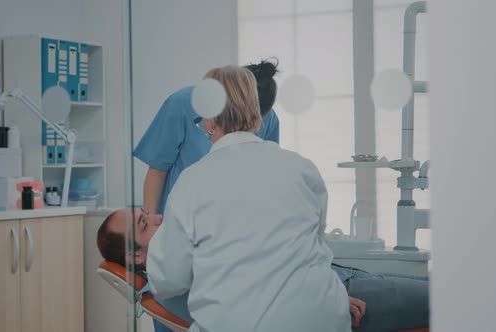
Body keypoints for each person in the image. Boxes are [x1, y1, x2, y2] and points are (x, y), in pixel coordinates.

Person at [143, 65, 351, 331]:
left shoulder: (193, 181)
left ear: (208, 120)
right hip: (325, 318)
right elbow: (313, 240)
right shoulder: (303, 168)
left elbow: (168, 279)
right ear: (259, 114)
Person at [134, 59, 280, 332]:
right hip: (181, 235)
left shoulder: (269, 119)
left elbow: (263, 182)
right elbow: (158, 170)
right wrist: (151, 235)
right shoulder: (182, 104)